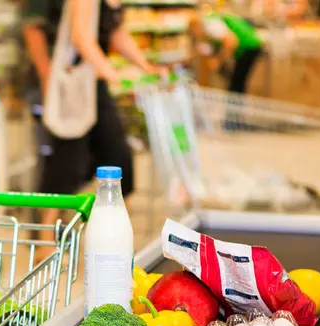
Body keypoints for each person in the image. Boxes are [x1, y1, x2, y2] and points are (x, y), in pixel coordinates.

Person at [22, 0, 162, 260]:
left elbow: (115, 32)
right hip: (75, 84)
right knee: (67, 161)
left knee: (118, 156)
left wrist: (145, 66)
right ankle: (45, 242)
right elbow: (80, 35)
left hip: (94, 85)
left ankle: (118, 236)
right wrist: (110, 72)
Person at [189, 8, 263, 94]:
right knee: (236, 81)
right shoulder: (209, 24)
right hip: (246, 47)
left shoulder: (210, 25)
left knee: (237, 82)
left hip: (249, 46)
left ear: (195, 26)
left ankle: (236, 105)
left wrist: (218, 60)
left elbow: (231, 42)